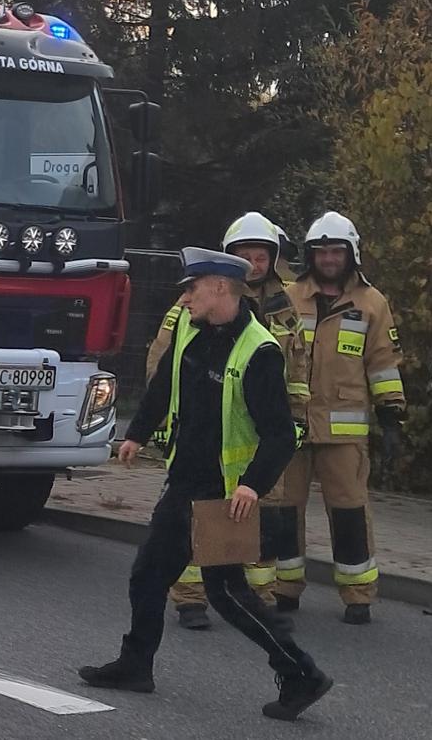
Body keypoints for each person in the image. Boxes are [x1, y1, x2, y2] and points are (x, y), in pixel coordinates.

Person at [80, 247, 333, 722]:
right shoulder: (188, 332)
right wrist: (136, 433)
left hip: (223, 494)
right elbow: (162, 387)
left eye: (192, 288)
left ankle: (302, 673)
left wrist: (252, 486)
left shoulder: (257, 350)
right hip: (184, 482)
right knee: (149, 576)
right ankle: (137, 665)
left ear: (220, 286)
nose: (185, 296)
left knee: (227, 593)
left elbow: (281, 433)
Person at [143, 212, 300, 630]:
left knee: (259, 519)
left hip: (257, 441)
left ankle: (257, 600)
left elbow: (298, 371)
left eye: (261, 255)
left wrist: (295, 426)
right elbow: (163, 366)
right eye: (244, 254)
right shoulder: (190, 307)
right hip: (201, 439)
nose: (254, 262)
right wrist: (150, 425)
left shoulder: (285, 308)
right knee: (191, 523)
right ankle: (190, 600)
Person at [262, 211, 403, 625]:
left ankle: (358, 595)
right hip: (290, 425)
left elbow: (383, 364)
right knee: (284, 511)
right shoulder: (286, 297)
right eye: (320, 251)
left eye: (335, 251)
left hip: (344, 432)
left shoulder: (372, 303)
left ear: (350, 254)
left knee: (349, 512)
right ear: (309, 255)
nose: (327, 258)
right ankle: (284, 589)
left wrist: (392, 415)